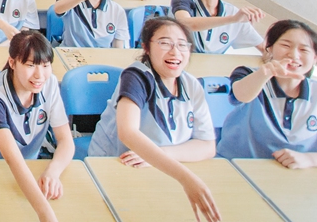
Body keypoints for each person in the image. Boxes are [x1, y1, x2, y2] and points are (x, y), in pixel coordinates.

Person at [88, 17, 220, 222]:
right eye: (165, 43)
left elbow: (207, 146)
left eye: (182, 45)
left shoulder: (191, 84)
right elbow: (128, 133)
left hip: (164, 169)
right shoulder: (137, 77)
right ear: (146, 48)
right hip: (117, 166)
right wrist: (186, 178)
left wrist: (162, 154)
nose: (175, 52)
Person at [217, 20, 317, 170]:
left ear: (315, 58)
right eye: (286, 45)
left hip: (292, 178)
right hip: (235, 170)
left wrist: (310, 159)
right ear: (269, 49)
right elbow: (241, 95)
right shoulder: (248, 75)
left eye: (304, 50)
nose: (293, 55)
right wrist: (266, 72)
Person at [0, 31, 75, 222]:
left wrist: (53, 172)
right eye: (30, 65)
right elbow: (12, 159)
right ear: (12, 63)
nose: (39, 75)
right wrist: (46, 215)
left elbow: (66, 141)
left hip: (25, 173)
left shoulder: (49, 84)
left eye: (45, 65)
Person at [51, 0, 130, 48]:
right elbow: (58, 9)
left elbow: (118, 47)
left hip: (102, 57)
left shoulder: (117, 10)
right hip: (72, 55)